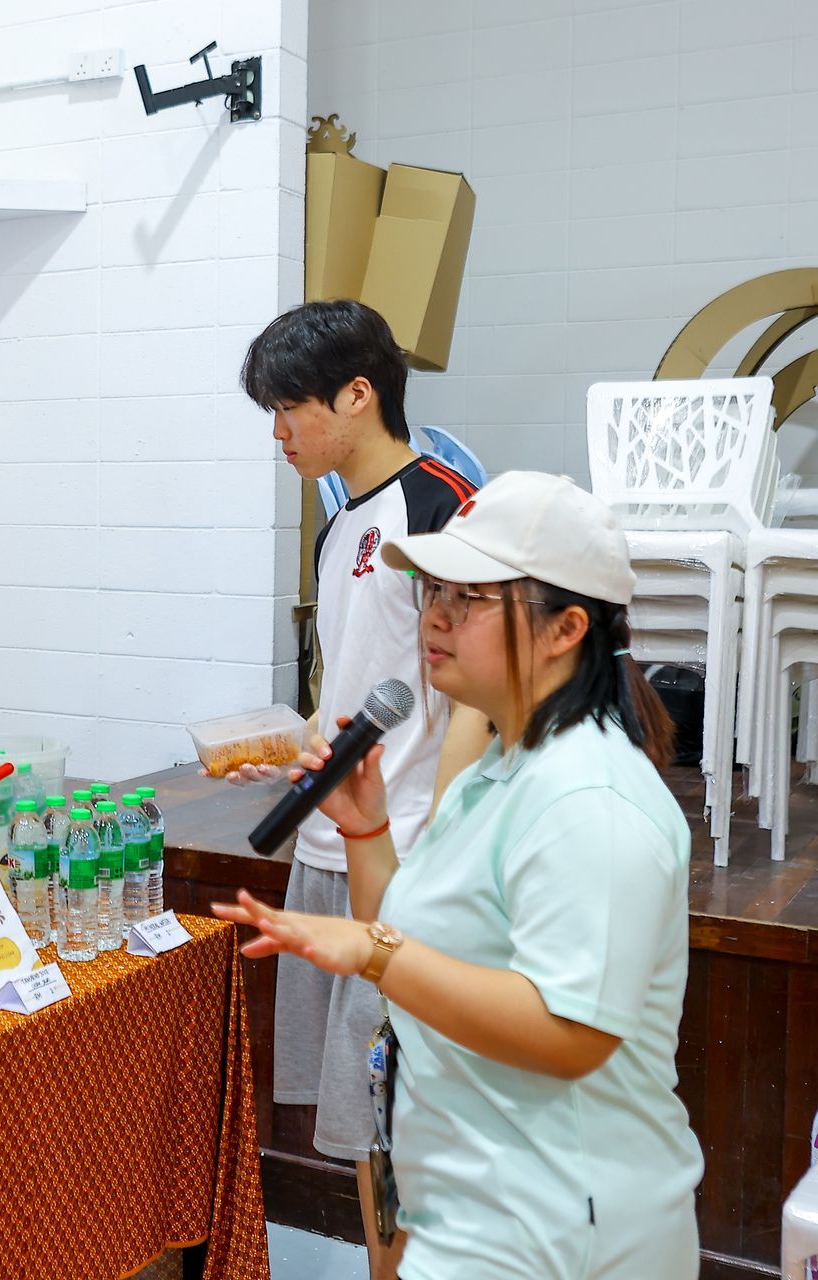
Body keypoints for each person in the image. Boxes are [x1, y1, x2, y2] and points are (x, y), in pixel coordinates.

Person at [215, 471, 702, 1279]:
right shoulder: (499, 768)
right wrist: (367, 825)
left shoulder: (591, 799)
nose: (434, 616)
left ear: (565, 628)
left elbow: (570, 1033)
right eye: (434, 589)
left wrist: (373, 956)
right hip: (476, 1206)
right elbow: (410, 933)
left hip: (563, 1226)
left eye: (470, 598)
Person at [237, 299, 491, 1275]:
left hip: (408, 851)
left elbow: (476, 691)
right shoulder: (338, 526)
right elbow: (343, 691)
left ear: (358, 391)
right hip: (327, 848)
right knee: (358, 1108)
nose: (278, 431)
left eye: (289, 407)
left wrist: (442, 838)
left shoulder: (440, 505)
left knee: (400, 1107)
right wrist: (292, 743)